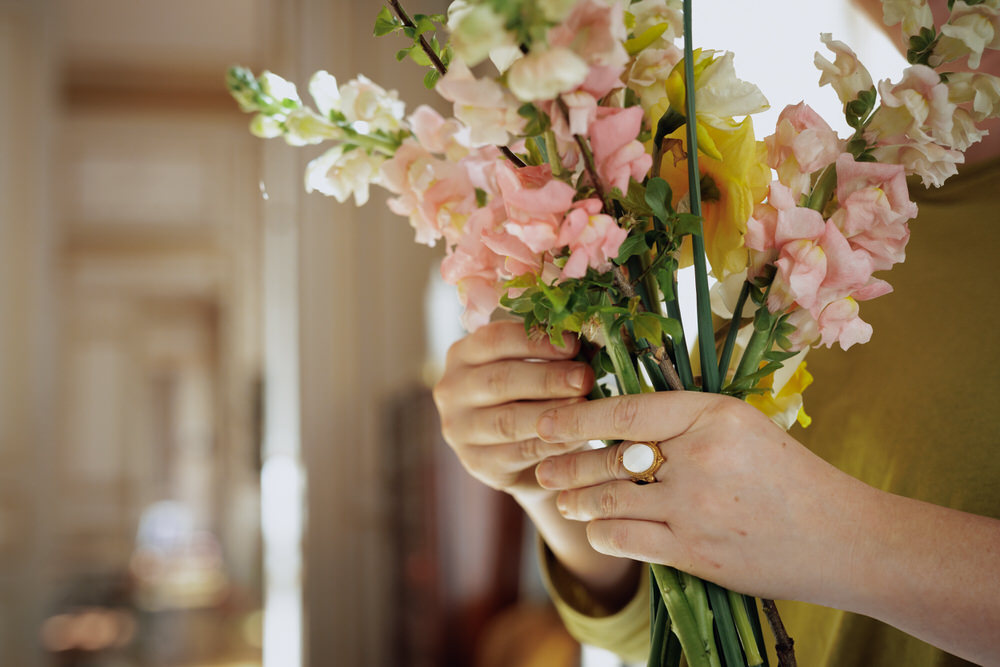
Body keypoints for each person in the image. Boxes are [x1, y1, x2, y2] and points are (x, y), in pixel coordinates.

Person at [431, 2, 1000, 664]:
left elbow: (786, 534)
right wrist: (543, 471)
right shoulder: (812, 200)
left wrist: (842, 536)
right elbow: (677, 605)